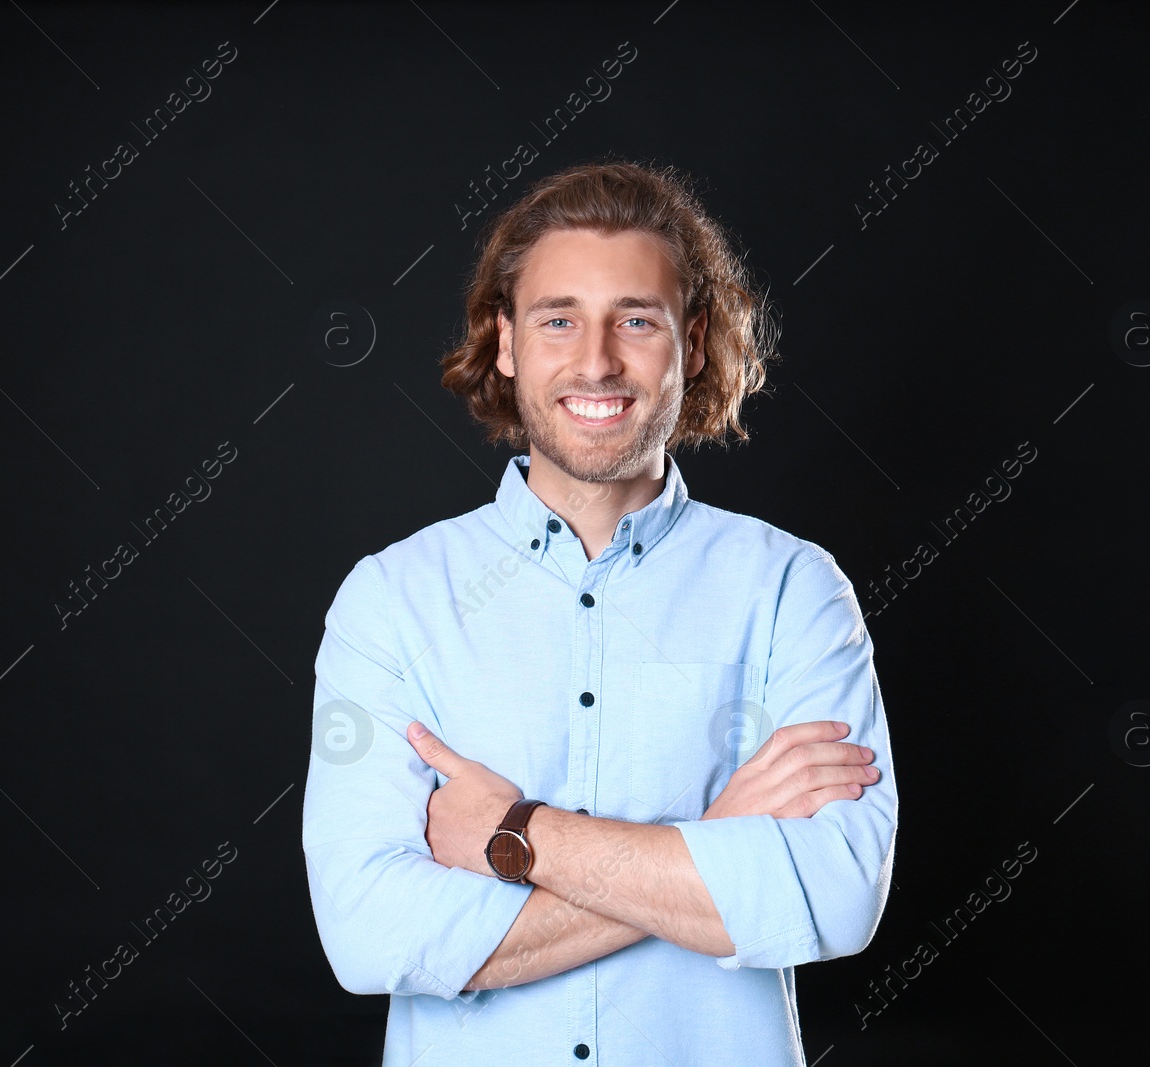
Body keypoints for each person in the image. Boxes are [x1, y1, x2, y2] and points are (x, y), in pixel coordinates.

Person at [303, 158, 897, 1066]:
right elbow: (370, 933)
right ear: (505, 341)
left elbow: (834, 896)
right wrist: (713, 848)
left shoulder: (793, 589)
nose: (596, 361)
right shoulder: (389, 600)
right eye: (558, 319)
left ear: (692, 342)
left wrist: (518, 837)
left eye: (636, 319)